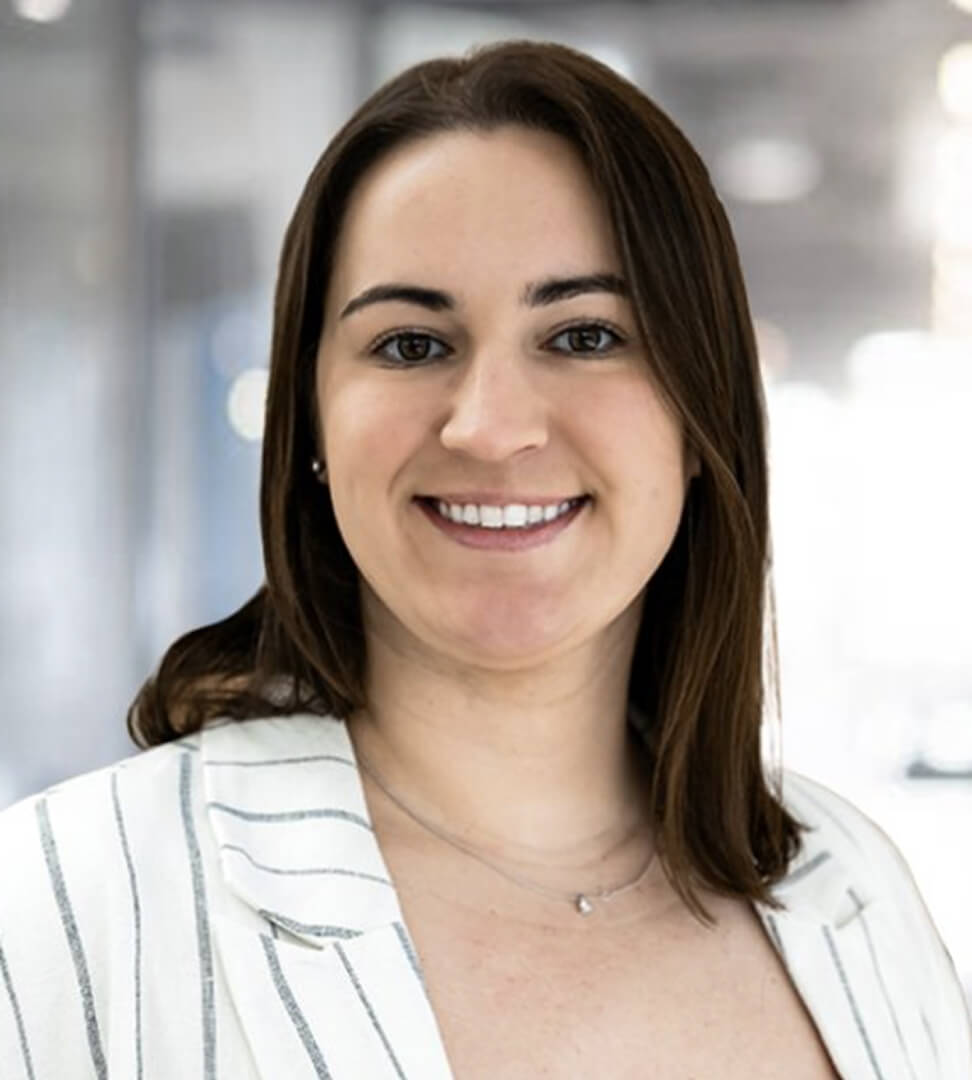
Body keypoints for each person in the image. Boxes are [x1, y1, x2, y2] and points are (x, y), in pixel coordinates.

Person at [0, 40, 968, 1080]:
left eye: (587, 336)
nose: (491, 426)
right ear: (312, 424)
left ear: (702, 417)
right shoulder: (60, 909)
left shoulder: (854, 888)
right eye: (412, 344)